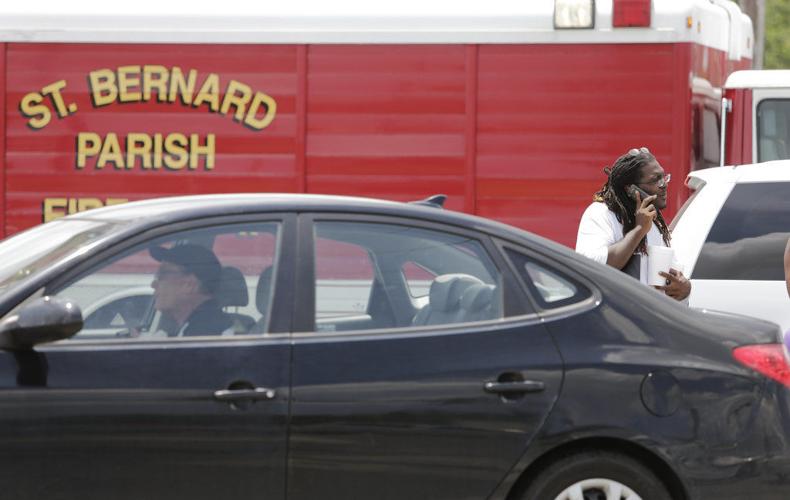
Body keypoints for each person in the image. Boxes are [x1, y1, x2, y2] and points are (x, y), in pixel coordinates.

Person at [575, 146, 691, 301]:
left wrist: (684, 289)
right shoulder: (600, 214)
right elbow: (591, 266)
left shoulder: (653, 222)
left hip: (649, 319)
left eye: (663, 177)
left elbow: (671, 276)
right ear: (631, 189)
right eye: (655, 180)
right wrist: (638, 230)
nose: (663, 184)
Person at [150, 243, 233, 336]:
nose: (153, 284)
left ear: (189, 285)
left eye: (162, 274)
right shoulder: (205, 326)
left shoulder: (202, 335)